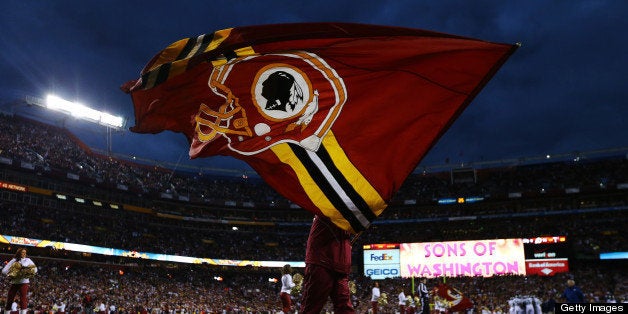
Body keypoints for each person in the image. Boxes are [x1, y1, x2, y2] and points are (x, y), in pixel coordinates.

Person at [299, 215, 355, 314]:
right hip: (322, 262)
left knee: (345, 308)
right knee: (311, 308)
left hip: (340, 264)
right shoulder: (327, 209)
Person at [2, 248, 37, 314]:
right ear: (19, 253)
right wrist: (12, 273)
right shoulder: (14, 260)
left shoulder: (28, 260)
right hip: (14, 282)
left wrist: (27, 272)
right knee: (10, 299)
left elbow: (35, 269)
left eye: (25, 252)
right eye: (22, 252)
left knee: (23, 299)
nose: (24, 254)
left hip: (24, 282)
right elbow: (4, 270)